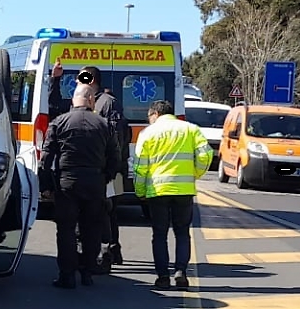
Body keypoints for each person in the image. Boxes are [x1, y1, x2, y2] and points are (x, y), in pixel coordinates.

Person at [41, 82, 120, 289]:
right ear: (92, 100)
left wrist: (45, 185)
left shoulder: (59, 122)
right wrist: (106, 177)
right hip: (95, 183)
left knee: (66, 230)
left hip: (67, 183)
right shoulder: (104, 124)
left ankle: (67, 275)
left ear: (72, 100)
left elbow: (47, 156)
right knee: (91, 229)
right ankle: (87, 272)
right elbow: (115, 155)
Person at [132, 100, 211, 290]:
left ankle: (162, 277)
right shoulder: (191, 130)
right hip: (184, 190)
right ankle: (181, 273)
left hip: (157, 191)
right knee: (182, 233)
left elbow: (140, 166)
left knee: (159, 234)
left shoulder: (148, 133)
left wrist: (140, 191)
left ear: (155, 114)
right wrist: (195, 173)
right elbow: (205, 154)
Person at [81, 66, 129, 269]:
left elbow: (116, 138)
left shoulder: (107, 104)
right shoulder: (93, 103)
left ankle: (108, 251)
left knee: (108, 210)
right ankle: (114, 249)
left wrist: (109, 168)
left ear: (90, 80)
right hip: (103, 168)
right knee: (107, 211)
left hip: (111, 170)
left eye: (81, 78)